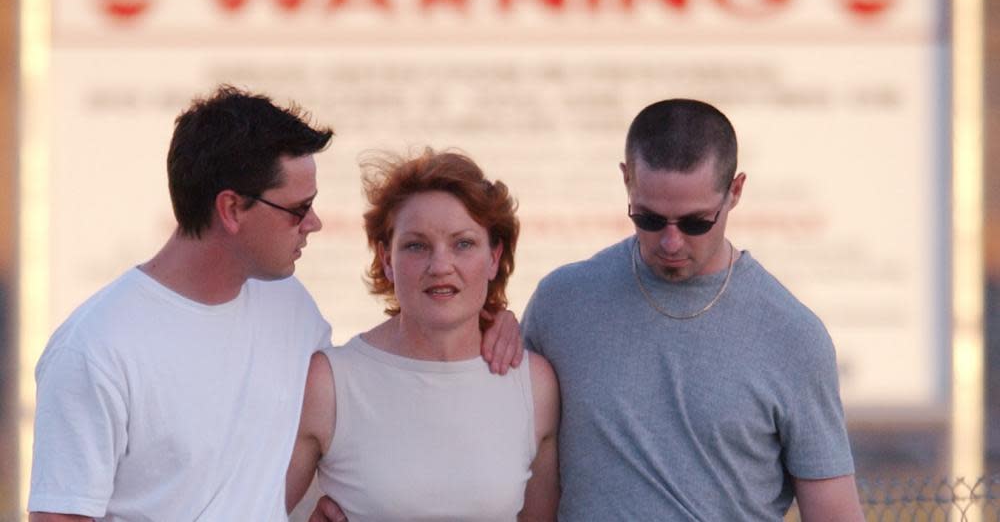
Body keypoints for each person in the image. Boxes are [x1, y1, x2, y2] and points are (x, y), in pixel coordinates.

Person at [28, 87, 522, 521]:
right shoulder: (96, 349)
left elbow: (392, 372)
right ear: (231, 209)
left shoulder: (289, 306)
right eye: (299, 210)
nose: (315, 224)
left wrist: (493, 322)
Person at [521, 99, 864, 520]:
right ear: (626, 180)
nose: (670, 242)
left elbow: (834, 513)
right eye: (648, 219)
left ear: (735, 191)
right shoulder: (561, 304)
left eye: (695, 222)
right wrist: (492, 325)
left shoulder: (792, 335)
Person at [287, 149, 560, 521]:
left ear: (494, 257)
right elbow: (246, 507)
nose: (440, 266)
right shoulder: (330, 382)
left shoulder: (535, 385)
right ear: (386, 258)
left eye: (463, 243)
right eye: (416, 245)